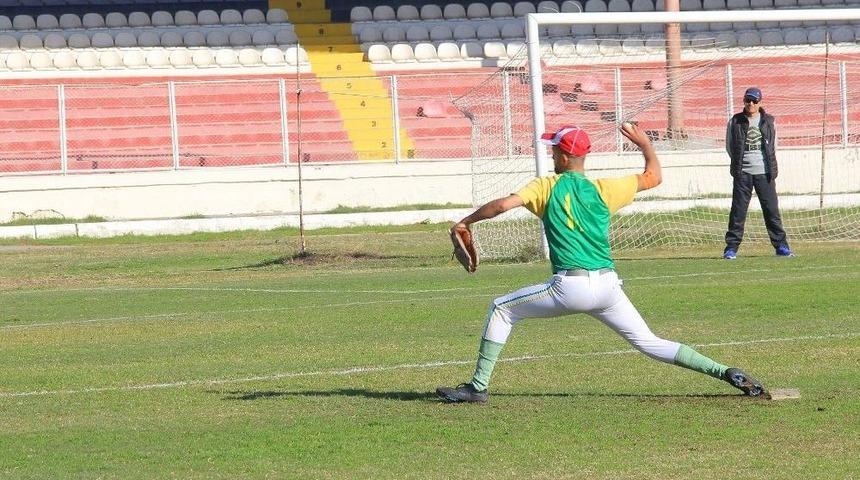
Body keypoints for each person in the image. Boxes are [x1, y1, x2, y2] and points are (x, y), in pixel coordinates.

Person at [436, 123, 769, 404]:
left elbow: (502, 205)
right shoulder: (605, 188)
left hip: (571, 286)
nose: (550, 153)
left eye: (553, 149)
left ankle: (477, 388)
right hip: (609, 286)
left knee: (501, 308)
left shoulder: (547, 186)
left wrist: (465, 222)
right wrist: (645, 144)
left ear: (565, 156)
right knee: (651, 343)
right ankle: (725, 372)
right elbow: (653, 176)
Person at [723, 87, 793, 260]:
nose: (751, 104)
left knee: (771, 211)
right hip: (743, 173)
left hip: (764, 173)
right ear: (744, 101)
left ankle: (781, 246)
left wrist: (767, 165)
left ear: (760, 102)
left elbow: (773, 147)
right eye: (748, 100)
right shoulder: (735, 121)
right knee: (738, 212)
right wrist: (741, 164)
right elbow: (729, 146)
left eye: (754, 101)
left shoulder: (769, 121)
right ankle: (731, 248)